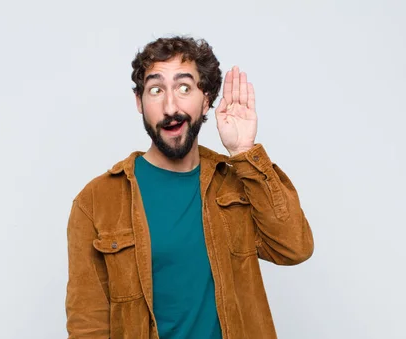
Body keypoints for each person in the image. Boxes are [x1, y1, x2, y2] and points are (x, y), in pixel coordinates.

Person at [65, 35, 314, 339]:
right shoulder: (96, 202)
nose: (170, 106)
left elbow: (294, 248)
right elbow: (87, 326)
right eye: (155, 90)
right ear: (139, 102)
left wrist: (244, 153)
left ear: (206, 98)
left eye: (184, 88)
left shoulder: (235, 183)